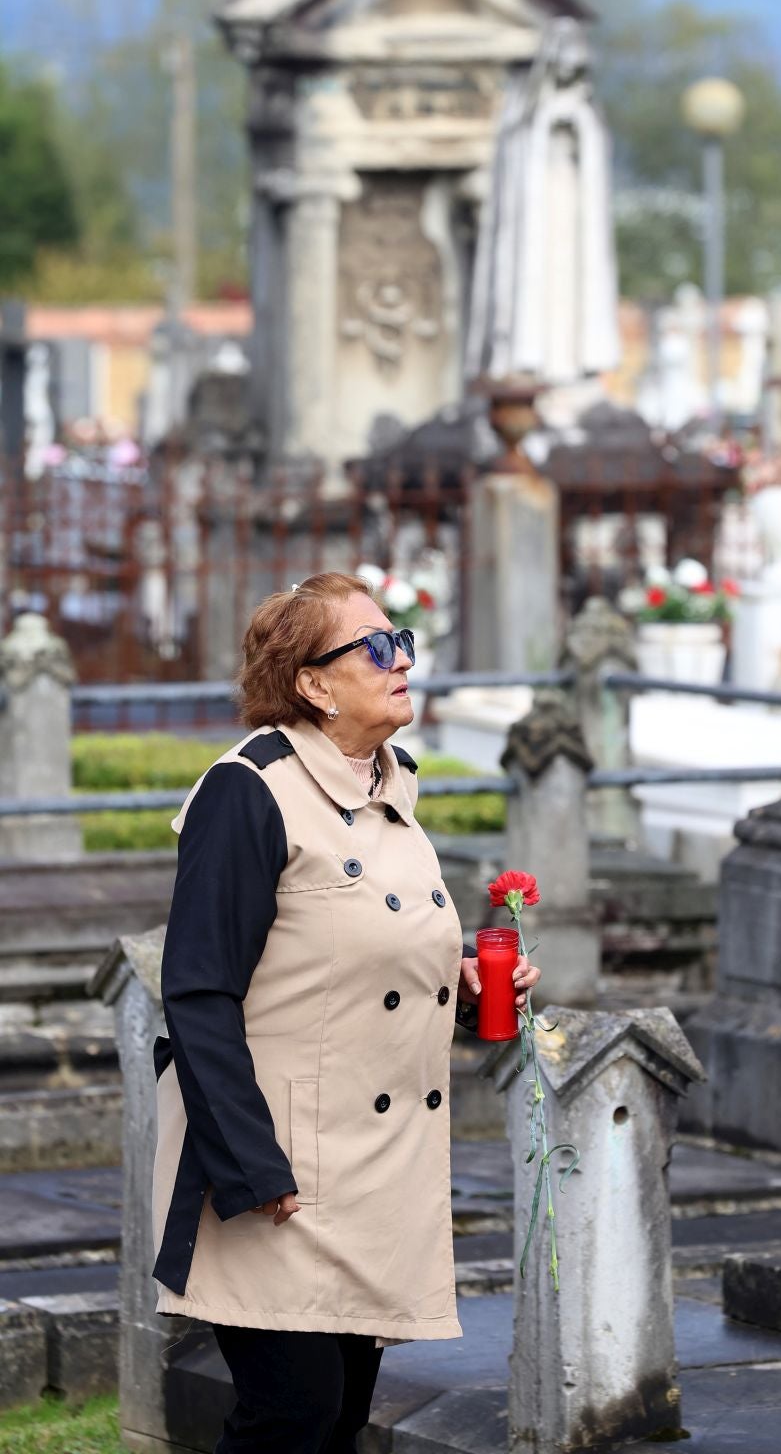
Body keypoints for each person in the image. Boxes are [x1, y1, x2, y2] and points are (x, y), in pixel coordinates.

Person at [151, 572, 540, 1453]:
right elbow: (199, 992)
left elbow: (365, 947)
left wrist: (469, 980)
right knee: (289, 1417)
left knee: (339, 1420)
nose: (401, 658)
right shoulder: (247, 791)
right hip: (279, 1171)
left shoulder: (393, 785)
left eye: (399, 638)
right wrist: (253, 1171)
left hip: (374, 1171)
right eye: (373, 646)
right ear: (314, 684)